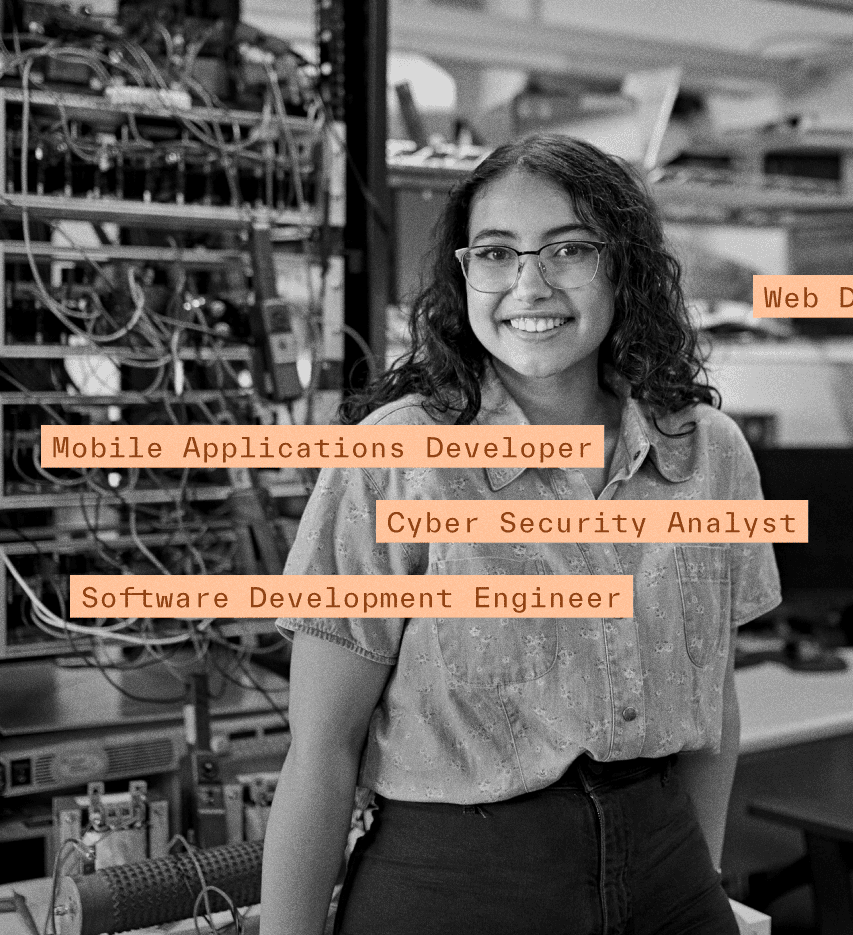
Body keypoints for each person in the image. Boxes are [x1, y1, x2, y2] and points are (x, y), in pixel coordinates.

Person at [260, 134, 782, 935]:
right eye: (497, 254)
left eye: (568, 248)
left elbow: (717, 705)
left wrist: (694, 876)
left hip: (667, 872)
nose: (528, 284)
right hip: (457, 887)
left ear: (624, 268)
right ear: (465, 275)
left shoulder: (707, 453)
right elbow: (322, 752)